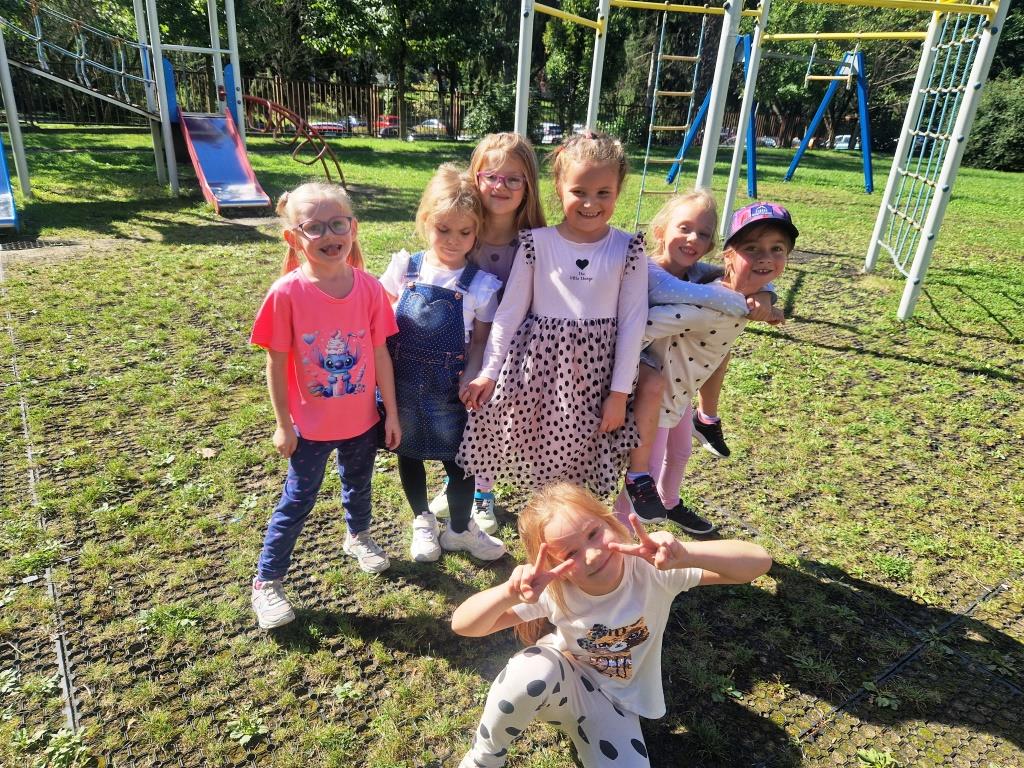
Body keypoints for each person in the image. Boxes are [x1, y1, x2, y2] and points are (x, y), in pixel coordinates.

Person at [451, 482, 772, 767]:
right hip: (558, 686)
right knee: (530, 670)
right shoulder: (556, 591)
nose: (591, 555)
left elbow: (758, 562)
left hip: (616, 704)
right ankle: (484, 759)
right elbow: (464, 625)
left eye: (593, 534)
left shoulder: (651, 571)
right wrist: (508, 593)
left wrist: (686, 554)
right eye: (570, 553)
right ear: (551, 565)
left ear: (610, 521)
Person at [458, 131, 647, 498]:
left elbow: (632, 324)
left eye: (603, 193)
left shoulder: (628, 248)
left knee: (582, 450)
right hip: (539, 370)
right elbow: (509, 314)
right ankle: (491, 495)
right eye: (579, 191)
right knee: (522, 437)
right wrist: (489, 372)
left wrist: (619, 393)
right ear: (559, 187)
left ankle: (570, 514)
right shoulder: (536, 242)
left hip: (596, 375)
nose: (590, 203)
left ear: (618, 191)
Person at [249, 182, 400, 630]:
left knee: (359, 484)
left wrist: (390, 413)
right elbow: (276, 364)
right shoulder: (285, 294)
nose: (329, 235)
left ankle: (358, 536)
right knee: (297, 501)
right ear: (293, 237)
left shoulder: (370, 289)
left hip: (362, 422)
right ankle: (267, 581)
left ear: (354, 228)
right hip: (310, 429)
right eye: (314, 227)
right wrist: (283, 424)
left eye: (338, 224)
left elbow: (380, 354)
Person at [620, 200, 796, 535]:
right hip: (658, 399)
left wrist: (766, 296)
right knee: (643, 477)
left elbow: (757, 279)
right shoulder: (709, 306)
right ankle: (618, 538)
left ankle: (669, 502)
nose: (765, 258)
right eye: (752, 249)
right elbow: (643, 325)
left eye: (777, 249)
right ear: (729, 255)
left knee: (681, 451)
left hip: (683, 389)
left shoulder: (714, 280)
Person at [379, 164, 507, 564]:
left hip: (451, 389)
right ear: (425, 222)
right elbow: (378, 318)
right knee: (408, 451)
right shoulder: (405, 268)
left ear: (477, 230)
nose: (453, 240)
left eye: (465, 232)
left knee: (461, 459)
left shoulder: (481, 285)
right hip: (402, 383)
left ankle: (459, 528)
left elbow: (481, 340)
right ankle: (422, 520)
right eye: (443, 229)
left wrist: (472, 374)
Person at [429, 132, 547, 533]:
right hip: (459, 338)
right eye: (491, 176)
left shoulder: (535, 240)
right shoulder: (464, 231)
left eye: (513, 179)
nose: (501, 186)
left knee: (489, 414)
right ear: (475, 177)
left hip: (513, 346)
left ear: (528, 186)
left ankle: (483, 491)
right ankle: (456, 480)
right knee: (458, 412)